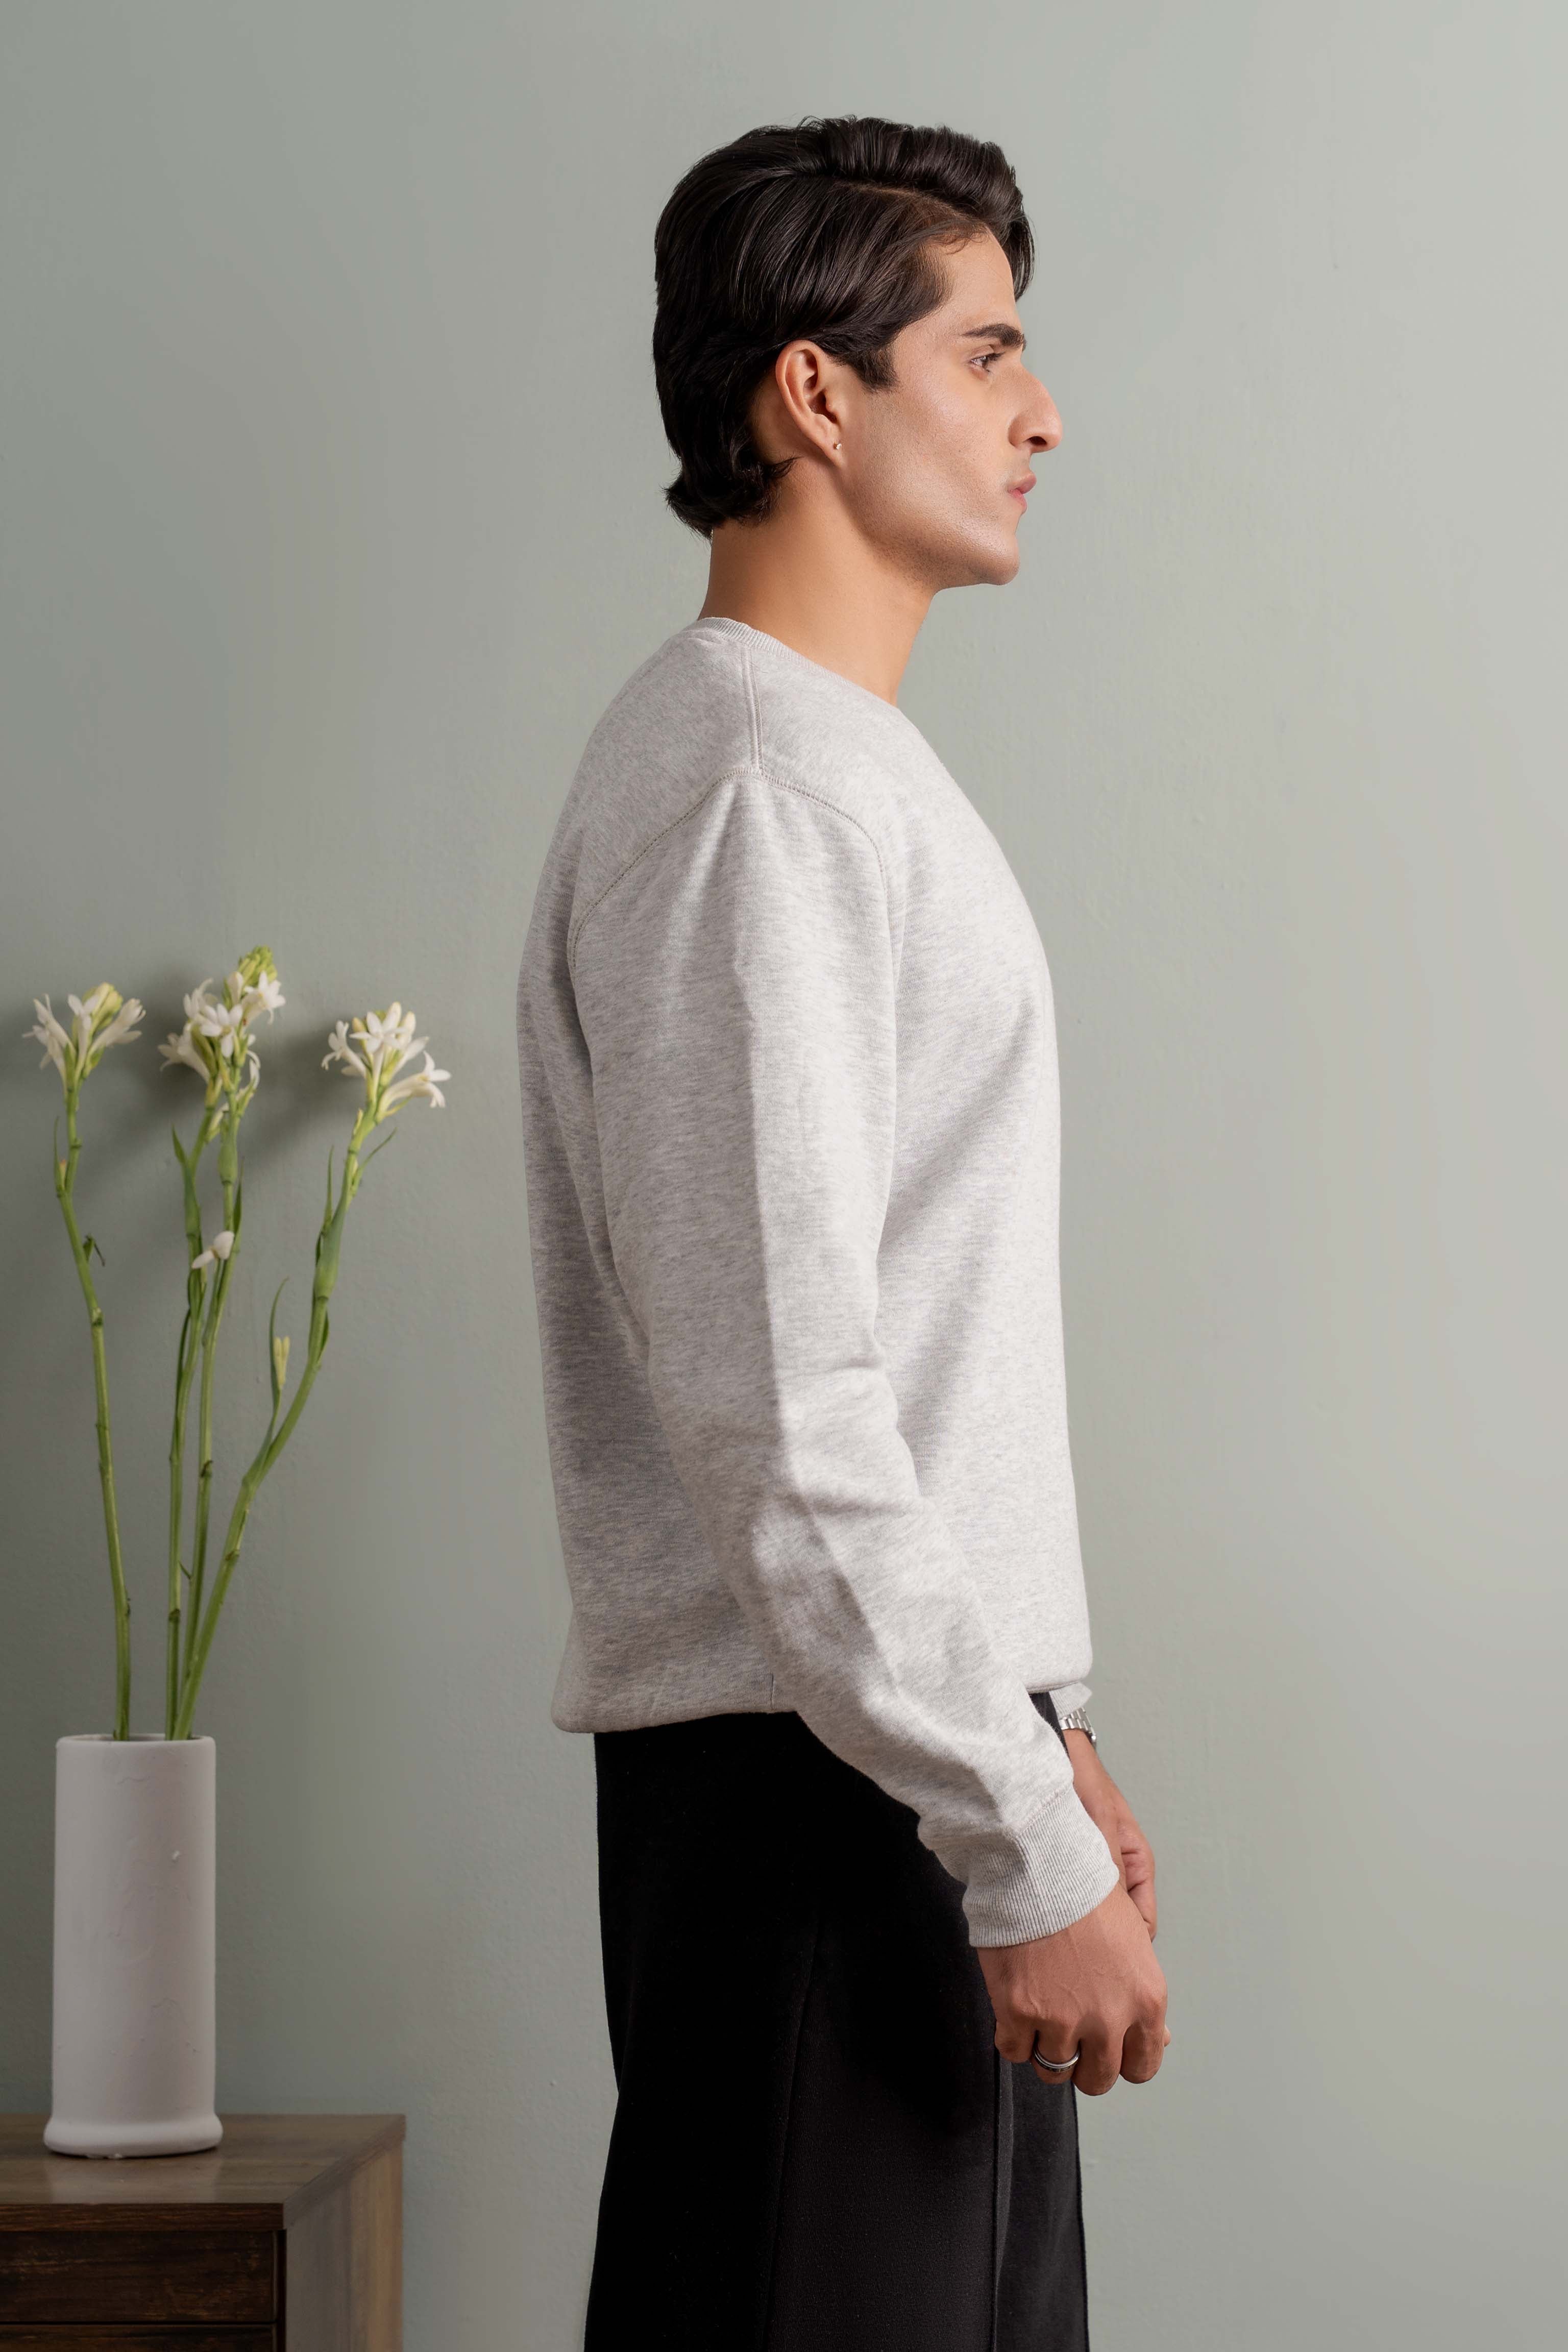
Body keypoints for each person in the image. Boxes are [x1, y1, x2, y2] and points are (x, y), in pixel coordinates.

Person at [515, 112, 1168, 2351]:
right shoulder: (752, 790)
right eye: (986, 351)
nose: (1041, 411)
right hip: (821, 1815)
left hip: (897, 1776)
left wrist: (1042, 1744)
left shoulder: (820, 767)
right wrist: (1011, 1819)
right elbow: (783, 1411)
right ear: (816, 390)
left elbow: (897, 1348)